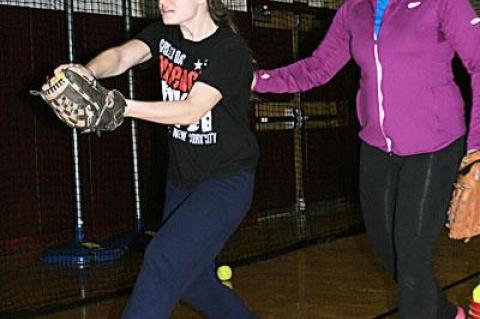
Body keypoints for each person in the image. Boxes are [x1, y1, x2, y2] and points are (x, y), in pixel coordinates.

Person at [252, 0, 480, 318]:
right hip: (376, 147)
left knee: (412, 259)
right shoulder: (354, 10)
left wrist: (477, 148)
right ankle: (447, 315)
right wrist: (254, 80)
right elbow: (317, 69)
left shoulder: (443, 3)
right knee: (391, 254)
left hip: (434, 144)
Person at [55, 0, 259, 317]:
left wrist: (122, 107)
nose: (163, 1)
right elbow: (122, 55)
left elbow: (191, 110)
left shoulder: (230, 50)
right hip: (181, 182)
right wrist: (88, 71)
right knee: (194, 283)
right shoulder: (164, 34)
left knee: (163, 257)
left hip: (226, 182)